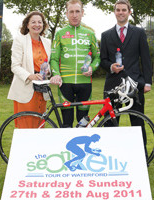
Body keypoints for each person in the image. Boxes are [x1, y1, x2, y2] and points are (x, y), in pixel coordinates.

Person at [100, 0, 152, 158]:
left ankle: (142, 158)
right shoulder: (106, 35)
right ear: (114, 12)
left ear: (129, 12)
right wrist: (111, 67)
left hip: (134, 84)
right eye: (118, 10)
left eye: (124, 9)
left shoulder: (139, 32)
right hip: (113, 84)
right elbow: (103, 60)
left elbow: (145, 59)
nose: (121, 12)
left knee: (137, 123)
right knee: (110, 122)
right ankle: (110, 156)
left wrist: (147, 81)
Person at [50, 0, 100, 128]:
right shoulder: (60, 34)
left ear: (82, 13)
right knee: (66, 123)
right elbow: (54, 59)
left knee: (83, 123)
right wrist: (56, 74)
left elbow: (97, 58)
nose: (74, 15)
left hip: (85, 83)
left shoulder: (90, 34)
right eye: (71, 12)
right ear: (66, 14)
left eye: (77, 11)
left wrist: (91, 68)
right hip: (65, 83)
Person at [7, 11, 58, 128]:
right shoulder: (20, 40)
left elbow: (49, 63)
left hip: (42, 90)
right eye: (33, 22)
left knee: (40, 126)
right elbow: (15, 66)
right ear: (27, 25)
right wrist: (31, 76)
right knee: (26, 128)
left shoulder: (47, 42)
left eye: (40, 22)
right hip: (26, 90)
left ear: (43, 25)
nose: (37, 24)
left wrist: (48, 72)